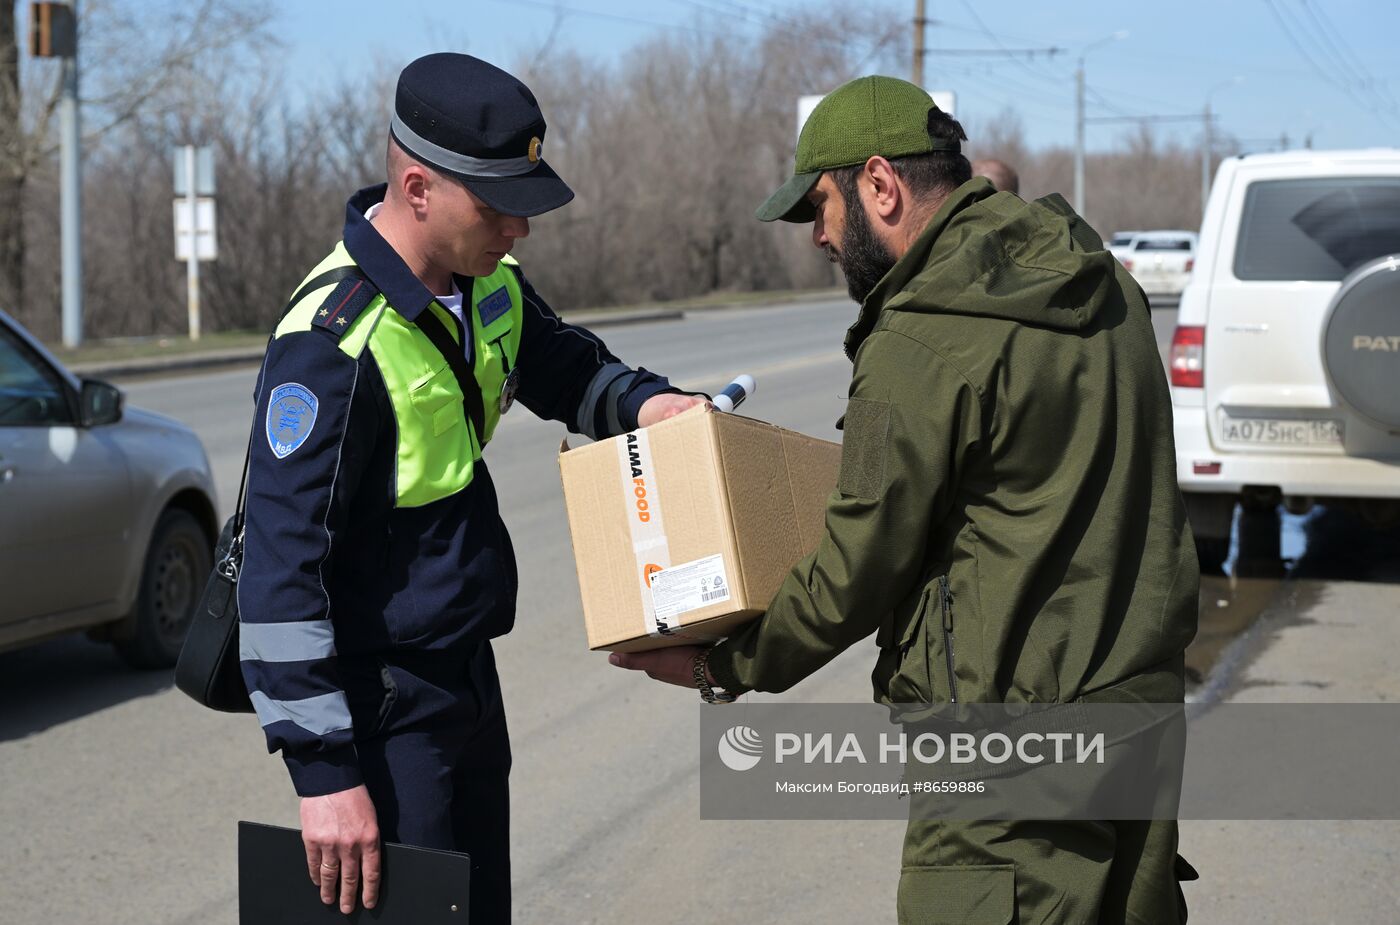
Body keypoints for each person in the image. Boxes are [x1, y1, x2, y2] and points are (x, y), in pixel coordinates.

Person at [611, 75, 1199, 923]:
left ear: (880, 184)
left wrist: (719, 663)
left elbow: (858, 565)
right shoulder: (1104, 286)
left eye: (821, 206)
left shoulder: (919, 335)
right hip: (1136, 723)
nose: (818, 233)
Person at [237, 53, 703, 923]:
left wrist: (650, 405)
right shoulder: (331, 346)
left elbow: (566, 367)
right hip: (380, 708)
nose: (517, 232)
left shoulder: (486, 285)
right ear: (418, 188)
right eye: (498, 209)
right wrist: (326, 777)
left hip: (464, 680)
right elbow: (278, 572)